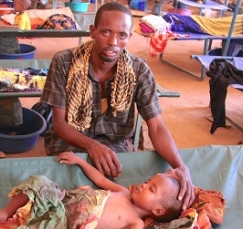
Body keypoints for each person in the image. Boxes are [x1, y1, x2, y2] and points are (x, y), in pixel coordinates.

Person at [40, 2, 194, 210]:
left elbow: (156, 126)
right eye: (106, 32)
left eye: (122, 35)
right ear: (93, 32)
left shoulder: (139, 70)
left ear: (129, 37)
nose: (113, 42)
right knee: (64, 197)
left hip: (115, 145)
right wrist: (92, 146)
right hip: (68, 141)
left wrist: (181, 166)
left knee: (130, 199)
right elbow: (59, 124)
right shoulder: (64, 62)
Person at [0, 151, 182, 229]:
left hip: (64, 226)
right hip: (63, 200)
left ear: (158, 211)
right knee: (39, 182)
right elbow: (101, 179)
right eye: (148, 181)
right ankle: (6, 211)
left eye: (151, 189)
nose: (144, 185)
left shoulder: (135, 223)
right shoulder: (123, 192)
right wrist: (80, 161)